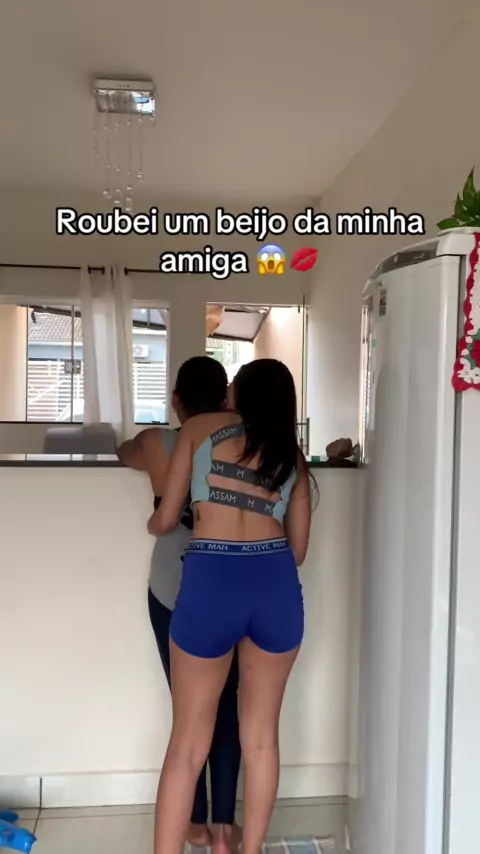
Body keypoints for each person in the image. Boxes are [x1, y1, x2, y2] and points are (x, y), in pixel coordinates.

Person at [148, 358, 314, 854]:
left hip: (212, 581)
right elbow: (298, 551)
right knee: (261, 741)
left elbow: (167, 517)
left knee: (186, 747)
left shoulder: (198, 429)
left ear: (240, 394)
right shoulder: (290, 455)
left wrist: (154, 524)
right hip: (274, 586)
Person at [117, 356, 242, 854]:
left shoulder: (157, 442)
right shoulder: (242, 441)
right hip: (232, 584)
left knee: (189, 711)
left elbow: (122, 450)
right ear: (226, 398)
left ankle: (193, 822)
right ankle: (224, 828)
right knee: (227, 707)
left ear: (175, 401)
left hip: (173, 588)